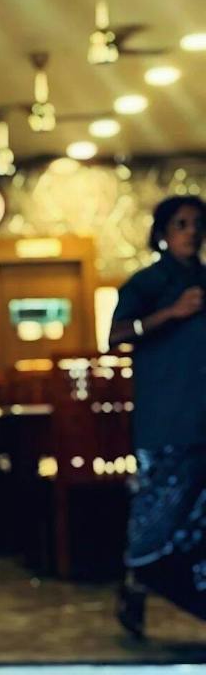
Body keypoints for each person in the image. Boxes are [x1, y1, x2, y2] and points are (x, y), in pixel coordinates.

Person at [109, 195, 206, 638]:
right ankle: (136, 584)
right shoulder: (147, 284)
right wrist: (171, 312)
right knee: (156, 511)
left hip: (202, 417)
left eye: (197, 224)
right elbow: (116, 335)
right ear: (163, 233)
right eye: (181, 223)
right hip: (166, 420)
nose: (191, 231)